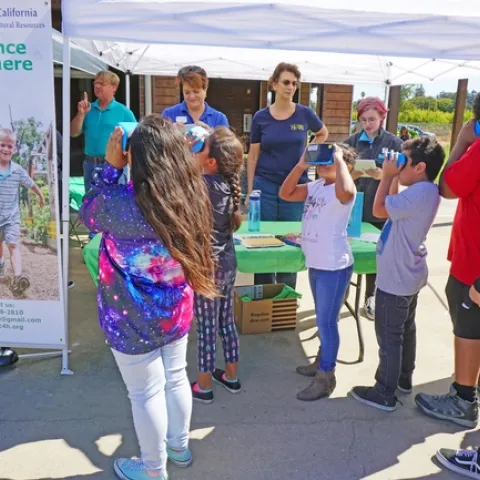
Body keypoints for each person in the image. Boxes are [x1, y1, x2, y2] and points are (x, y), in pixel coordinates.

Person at [79, 115, 217, 480]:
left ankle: (154, 471)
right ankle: (179, 447)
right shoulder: (192, 196)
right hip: (176, 310)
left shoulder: (121, 204)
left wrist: (110, 167)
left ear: (135, 156)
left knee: (145, 394)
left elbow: (88, 212)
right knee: (175, 377)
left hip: (130, 318)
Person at [349, 137, 444, 411]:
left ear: (419, 167)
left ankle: (384, 392)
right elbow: (392, 200)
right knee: (405, 330)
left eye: (404, 161)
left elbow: (379, 209)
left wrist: (387, 176)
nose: (398, 164)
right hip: (407, 274)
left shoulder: (419, 193)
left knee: (389, 335)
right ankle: (402, 379)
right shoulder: (424, 190)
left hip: (397, 278)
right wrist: (392, 175)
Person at [415, 96, 480, 429]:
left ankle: (463, 398)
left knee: (468, 329)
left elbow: (447, 186)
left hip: (474, 264)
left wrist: (462, 142)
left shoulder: (478, 149)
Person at [279, 144, 356, 401]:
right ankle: (322, 361)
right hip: (317, 263)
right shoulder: (316, 186)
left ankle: (326, 377)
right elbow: (286, 193)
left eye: (331, 160)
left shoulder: (343, 190)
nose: (325, 163)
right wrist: (302, 164)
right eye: (322, 159)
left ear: (345, 166)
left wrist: (339, 159)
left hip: (333, 266)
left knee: (326, 322)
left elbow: (346, 191)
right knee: (324, 320)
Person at [247, 62, 328, 290]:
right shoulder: (261, 117)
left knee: (291, 242)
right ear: (274, 84)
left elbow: (323, 133)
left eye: (294, 83)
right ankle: (262, 297)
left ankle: (286, 296)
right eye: (285, 82)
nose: (290, 87)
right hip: (266, 186)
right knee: (263, 243)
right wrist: (251, 189)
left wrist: (308, 154)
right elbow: (253, 156)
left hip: (296, 188)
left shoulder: (305, 113)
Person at [189, 127, 243, 404]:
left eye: (202, 148)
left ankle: (204, 385)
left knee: (207, 328)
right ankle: (231, 377)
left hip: (206, 269)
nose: (196, 150)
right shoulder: (225, 184)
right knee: (226, 323)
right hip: (227, 265)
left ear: (211, 162)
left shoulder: (201, 184)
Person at [344, 97, 403, 320]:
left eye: (372, 119)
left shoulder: (394, 143)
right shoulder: (350, 141)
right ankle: (343, 291)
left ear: (382, 118)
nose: (367, 124)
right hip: (353, 208)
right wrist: (351, 174)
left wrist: (384, 175)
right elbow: (337, 175)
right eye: (363, 120)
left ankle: (371, 297)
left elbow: (400, 176)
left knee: (375, 257)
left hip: (379, 209)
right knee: (346, 251)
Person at [70, 70, 136, 195]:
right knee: (91, 206)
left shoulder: (124, 112)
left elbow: (135, 139)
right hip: (90, 164)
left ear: (113, 87)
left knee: (114, 204)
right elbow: (73, 133)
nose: (97, 86)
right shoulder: (88, 109)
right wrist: (81, 114)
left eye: (102, 83)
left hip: (113, 165)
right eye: (95, 83)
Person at [0, 128, 45, 295]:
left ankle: (18, 278)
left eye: (9, 146)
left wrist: (40, 195)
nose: (5, 149)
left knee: (12, 244)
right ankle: (1, 264)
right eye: (2, 145)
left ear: (14, 149)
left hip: (11, 217)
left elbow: (30, 183)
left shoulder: (17, 170)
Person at [162, 65, 229, 131]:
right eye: (187, 92)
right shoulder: (169, 114)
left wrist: (211, 135)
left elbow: (226, 142)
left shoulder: (219, 119)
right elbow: (159, 141)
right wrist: (170, 133)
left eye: (196, 92)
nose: (192, 97)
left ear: (205, 89)